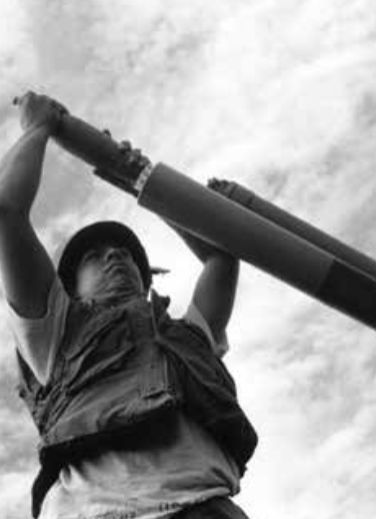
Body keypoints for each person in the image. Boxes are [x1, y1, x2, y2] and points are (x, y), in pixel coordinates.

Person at [0, 92, 257, 519]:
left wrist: (139, 179)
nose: (115, 257)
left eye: (125, 254)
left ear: (145, 280)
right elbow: (7, 212)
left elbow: (221, 258)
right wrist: (37, 128)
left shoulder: (187, 336)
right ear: (71, 287)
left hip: (210, 509)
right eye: (94, 257)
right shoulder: (54, 330)